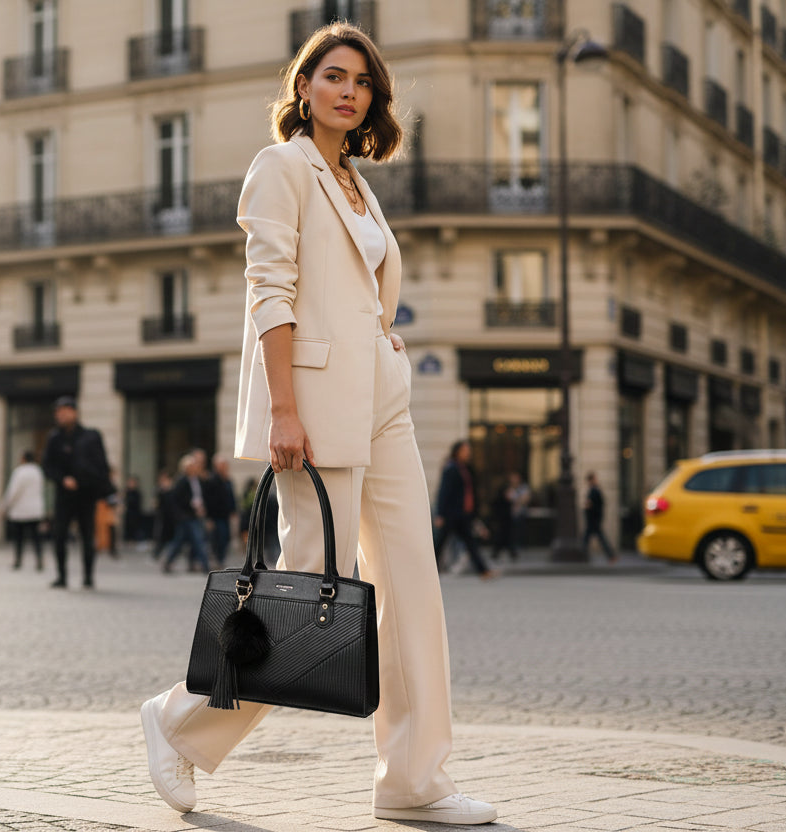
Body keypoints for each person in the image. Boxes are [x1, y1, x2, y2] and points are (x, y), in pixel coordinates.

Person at [138, 23, 496, 826]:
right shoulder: (282, 167)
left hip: (382, 400)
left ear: (373, 100)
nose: (347, 91)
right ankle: (178, 723)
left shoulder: (355, 181)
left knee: (412, 587)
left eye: (361, 82)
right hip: (317, 406)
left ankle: (413, 780)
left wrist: (383, 338)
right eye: (332, 76)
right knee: (310, 586)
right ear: (303, 88)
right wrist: (285, 411)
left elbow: (356, 284)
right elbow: (271, 292)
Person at [41, 395, 112, 589]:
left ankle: (88, 576)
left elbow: (102, 465)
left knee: (87, 535)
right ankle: (62, 576)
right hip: (64, 495)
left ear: (75, 412)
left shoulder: (91, 436)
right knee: (59, 535)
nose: (61, 416)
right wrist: (62, 479)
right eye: (58, 413)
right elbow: (47, 466)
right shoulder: (54, 438)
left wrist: (103, 490)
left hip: (86, 494)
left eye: (65, 411)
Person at [433, 440, 497, 579]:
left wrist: (474, 514)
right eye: (465, 450)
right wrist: (440, 514)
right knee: (440, 544)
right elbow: (444, 491)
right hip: (451, 514)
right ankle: (430, 571)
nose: (468, 453)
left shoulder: (466, 468)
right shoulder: (451, 468)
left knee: (470, 543)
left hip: (463, 514)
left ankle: (483, 571)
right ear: (457, 452)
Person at [158, 453, 211, 574]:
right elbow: (178, 499)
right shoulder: (181, 481)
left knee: (180, 541)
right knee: (198, 540)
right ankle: (205, 566)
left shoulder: (197, 480)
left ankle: (169, 561)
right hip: (186, 516)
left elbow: (199, 495)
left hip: (194, 515)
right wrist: (192, 506)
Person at [1, 451, 45, 571]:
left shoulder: (19, 472)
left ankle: (18, 560)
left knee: (19, 538)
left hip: (20, 510)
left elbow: (13, 492)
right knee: (36, 538)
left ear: (23, 459)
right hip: (35, 510)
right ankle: (39, 559)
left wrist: (4, 507)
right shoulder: (38, 471)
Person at [203, 453, 238, 566]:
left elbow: (231, 497)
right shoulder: (211, 481)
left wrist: (233, 511)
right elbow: (208, 500)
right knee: (217, 539)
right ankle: (217, 559)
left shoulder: (228, 481)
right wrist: (208, 517)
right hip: (215, 517)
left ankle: (220, 559)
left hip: (225, 516)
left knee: (225, 538)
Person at [582, 471, 617, 563]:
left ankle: (583, 556)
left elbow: (590, 504)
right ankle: (611, 556)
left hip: (593, 520)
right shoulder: (595, 490)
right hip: (595, 519)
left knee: (588, 539)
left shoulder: (593, 491)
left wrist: (586, 508)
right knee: (591, 538)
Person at [506, 471, 531, 561]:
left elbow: (525, 499)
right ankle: (513, 546)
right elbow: (507, 498)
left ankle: (521, 545)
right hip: (512, 514)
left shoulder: (523, 487)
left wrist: (516, 500)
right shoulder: (509, 488)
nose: (514, 480)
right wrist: (518, 500)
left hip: (521, 513)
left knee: (520, 528)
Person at [153, 470, 177, 555]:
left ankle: (170, 554)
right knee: (161, 536)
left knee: (173, 536)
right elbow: (156, 503)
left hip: (172, 516)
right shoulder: (160, 490)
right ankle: (156, 553)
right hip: (162, 516)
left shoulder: (174, 489)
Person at [123, 475, 145, 546]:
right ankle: (128, 540)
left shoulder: (137, 493)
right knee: (128, 527)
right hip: (128, 513)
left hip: (135, 513)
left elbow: (137, 503)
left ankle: (136, 540)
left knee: (135, 527)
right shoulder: (126, 492)